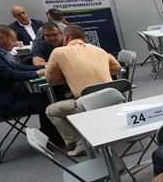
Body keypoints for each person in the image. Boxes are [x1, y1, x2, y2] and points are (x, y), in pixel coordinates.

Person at [0, 24, 61, 145]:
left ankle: (49, 133)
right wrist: (37, 73)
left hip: (8, 95)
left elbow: (16, 67)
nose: (15, 43)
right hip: (4, 101)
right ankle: (54, 139)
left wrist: (43, 67)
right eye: (13, 40)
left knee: (49, 97)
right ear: (1, 38)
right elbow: (10, 74)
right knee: (49, 102)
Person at [44, 25, 122, 156]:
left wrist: (68, 75)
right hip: (113, 102)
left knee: (51, 110)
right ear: (84, 37)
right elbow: (117, 69)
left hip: (88, 105)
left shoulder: (58, 52)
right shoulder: (99, 50)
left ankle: (78, 143)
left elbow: (51, 80)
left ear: (66, 37)